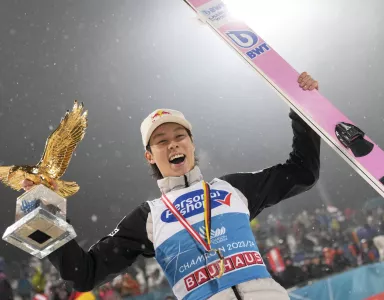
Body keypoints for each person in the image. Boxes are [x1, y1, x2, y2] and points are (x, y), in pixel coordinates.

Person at [20, 72, 320, 300]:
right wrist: (42, 218)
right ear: (149, 155)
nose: (173, 144)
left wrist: (303, 107)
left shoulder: (233, 190)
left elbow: (303, 171)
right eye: (162, 141)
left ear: (191, 143)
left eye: (180, 136)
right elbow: (83, 274)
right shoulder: (149, 217)